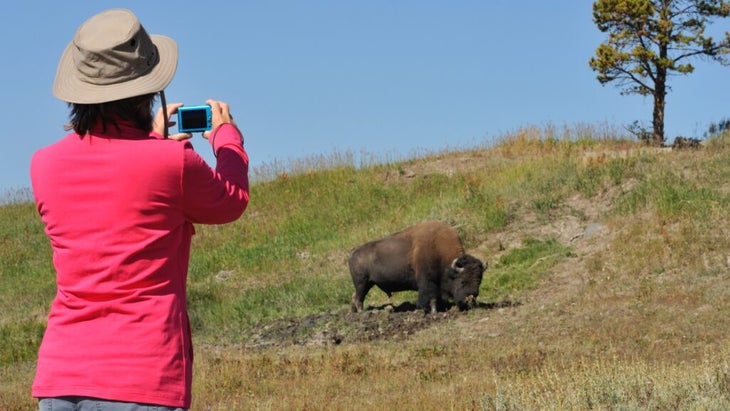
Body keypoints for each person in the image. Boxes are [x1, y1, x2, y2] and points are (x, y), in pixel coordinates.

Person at [30, 8, 249, 410]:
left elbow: (111, 191)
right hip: (142, 378)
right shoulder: (172, 161)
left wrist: (149, 137)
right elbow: (230, 200)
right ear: (149, 89)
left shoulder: (43, 165)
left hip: (61, 378)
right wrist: (226, 137)